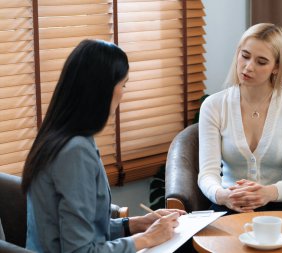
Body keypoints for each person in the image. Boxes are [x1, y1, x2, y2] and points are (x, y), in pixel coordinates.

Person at [21, 39, 185, 253]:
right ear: (103, 90)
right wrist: (145, 239)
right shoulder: (75, 152)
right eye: (123, 84)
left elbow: (76, 231)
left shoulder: (56, 137)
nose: (123, 95)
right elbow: (81, 250)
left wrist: (135, 224)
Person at [198, 23, 282, 214]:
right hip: (229, 203)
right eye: (244, 56)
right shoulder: (213, 105)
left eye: (261, 62)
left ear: (276, 67)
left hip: (281, 205)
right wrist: (223, 196)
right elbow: (207, 174)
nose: (248, 67)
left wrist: (268, 193)